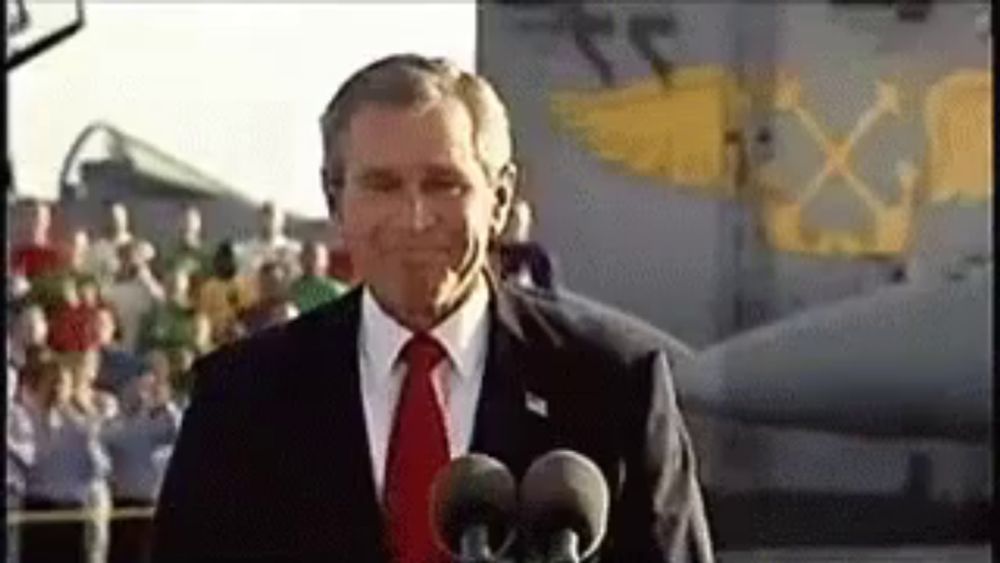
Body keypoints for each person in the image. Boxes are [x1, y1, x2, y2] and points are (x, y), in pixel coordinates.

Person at [153, 54, 713, 562]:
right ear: (334, 200)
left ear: (499, 200)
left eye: (445, 184)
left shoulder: (611, 383)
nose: (415, 218)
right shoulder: (242, 398)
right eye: (382, 186)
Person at [194, 240, 257, 345]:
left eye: (229, 258)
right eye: (222, 258)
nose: (225, 262)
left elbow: (247, 312)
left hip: (237, 333)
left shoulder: (244, 284)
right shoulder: (209, 287)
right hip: (213, 335)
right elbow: (203, 315)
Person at [234, 201, 302, 278]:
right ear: (259, 220)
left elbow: (298, 277)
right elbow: (242, 278)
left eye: (273, 217)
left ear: (282, 220)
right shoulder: (247, 250)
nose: (269, 222)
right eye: (265, 217)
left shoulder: (293, 250)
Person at [289, 240, 348, 313]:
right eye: (305, 256)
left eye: (314, 256)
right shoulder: (295, 287)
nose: (309, 261)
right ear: (300, 259)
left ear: (326, 261)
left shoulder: (336, 289)